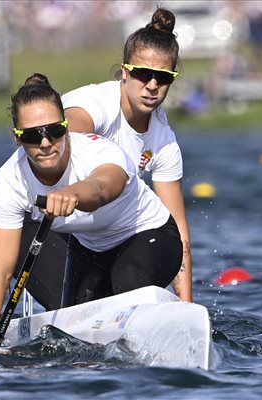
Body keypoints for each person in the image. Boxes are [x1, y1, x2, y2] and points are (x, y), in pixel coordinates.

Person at [0, 73, 183, 346]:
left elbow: (104, 187)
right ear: (17, 139)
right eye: (33, 136)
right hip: (90, 249)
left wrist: (72, 194)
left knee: (127, 281)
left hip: (149, 235)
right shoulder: (9, 180)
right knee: (74, 328)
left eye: (55, 130)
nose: (46, 143)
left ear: (66, 126)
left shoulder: (99, 153)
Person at [61, 7, 193, 302]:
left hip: (130, 231)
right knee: (70, 307)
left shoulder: (164, 140)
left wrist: (188, 309)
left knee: (129, 282)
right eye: (143, 74)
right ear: (124, 72)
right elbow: (68, 131)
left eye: (163, 77)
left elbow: (180, 231)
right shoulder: (98, 103)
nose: (152, 86)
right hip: (70, 227)